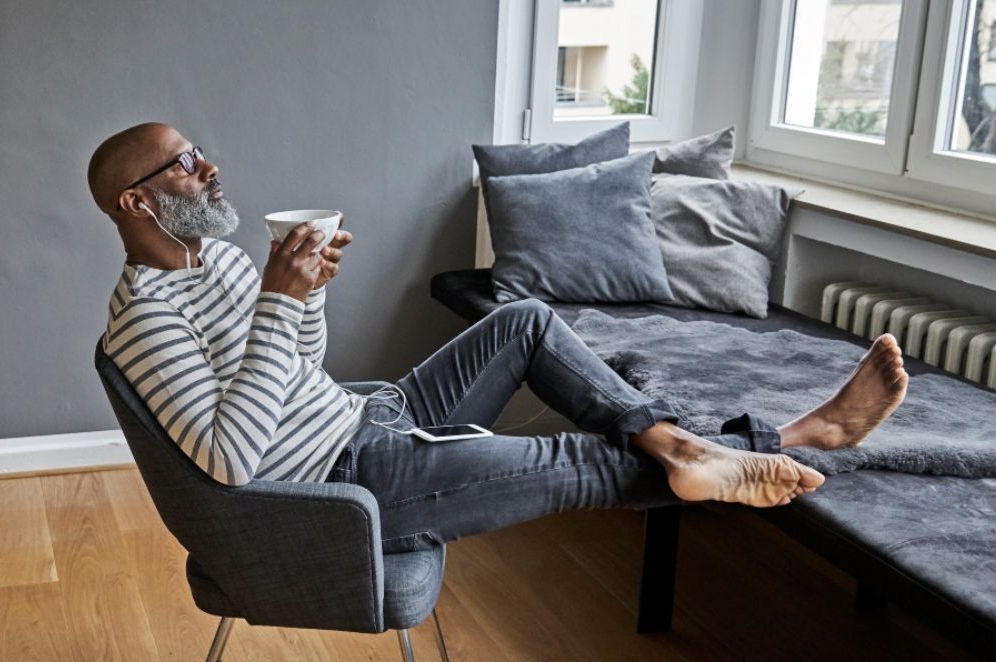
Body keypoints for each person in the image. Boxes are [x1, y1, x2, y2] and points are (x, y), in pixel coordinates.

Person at [89, 123, 909, 554]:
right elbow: (231, 460)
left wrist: (305, 298)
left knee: (521, 321)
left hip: (369, 417)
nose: (211, 169)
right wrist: (278, 299)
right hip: (349, 482)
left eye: (200, 154)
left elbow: (300, 368)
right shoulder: (145, 324)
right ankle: (793, 435)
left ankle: (688, 447)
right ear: (136, 203)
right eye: (187, 163)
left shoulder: (222, 262)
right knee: (567, 458)